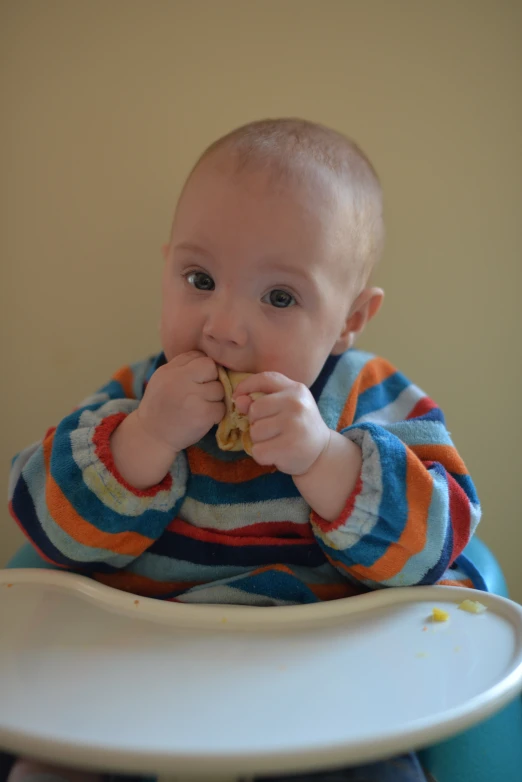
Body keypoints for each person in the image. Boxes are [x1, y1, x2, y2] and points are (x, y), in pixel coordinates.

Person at [7, 118, 482, 782]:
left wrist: (326, 460)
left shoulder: (375, 401)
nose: (225, 328)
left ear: (349, 320)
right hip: (132, 688)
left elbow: (439, 547)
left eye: (280, 297)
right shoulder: (137, 402)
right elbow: (44, 523)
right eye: (199, 279)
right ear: (167, 264)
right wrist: (144, 438)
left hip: (327, 702)